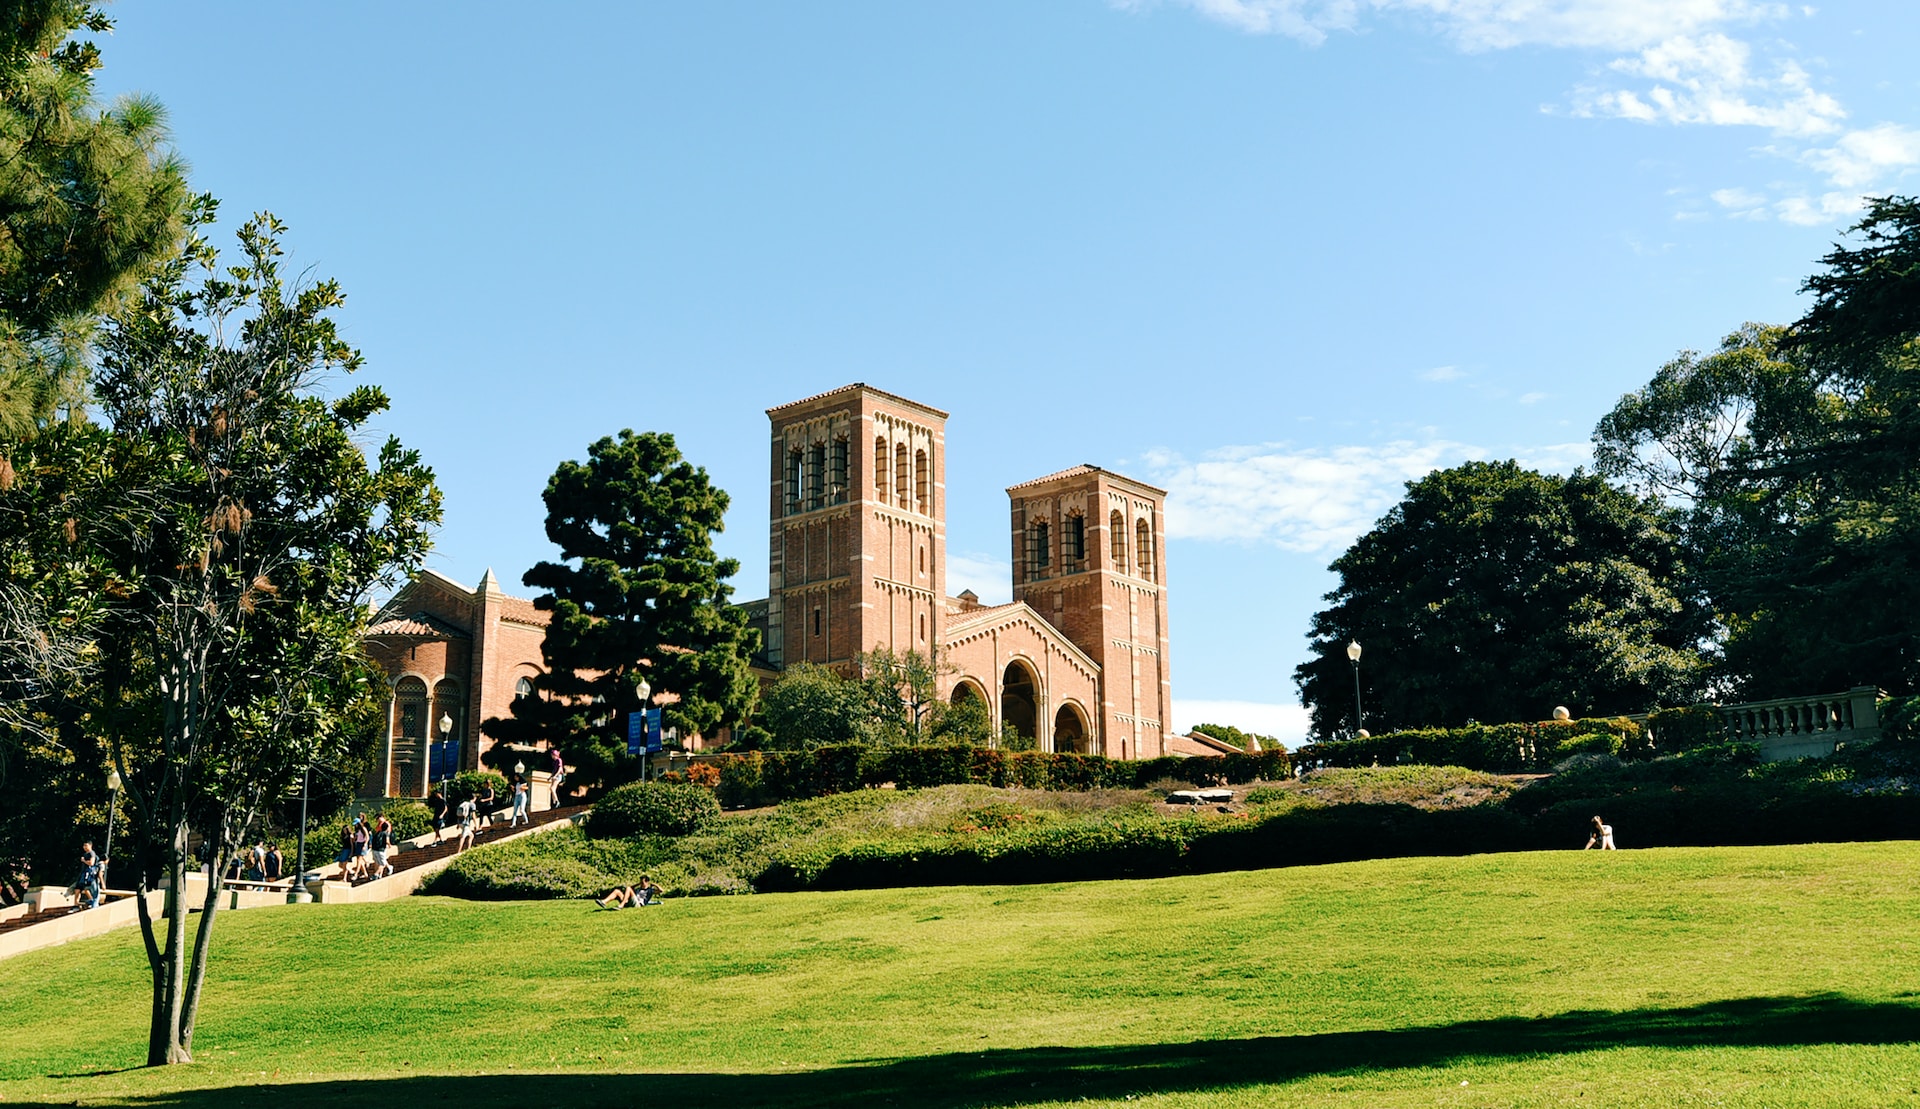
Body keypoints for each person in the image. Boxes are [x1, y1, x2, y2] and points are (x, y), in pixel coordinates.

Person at [70, 842, 102, 909]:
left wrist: (84, 860)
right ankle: (76, 905)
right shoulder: (85, 854)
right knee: (78, 889)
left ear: (90, 845)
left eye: (86, 845)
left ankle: (93, 903)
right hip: (83, 875)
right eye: (83, 845)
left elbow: (91, 863)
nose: (84, 847)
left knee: (90, 890)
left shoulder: (92, 853)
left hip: (89, 876)